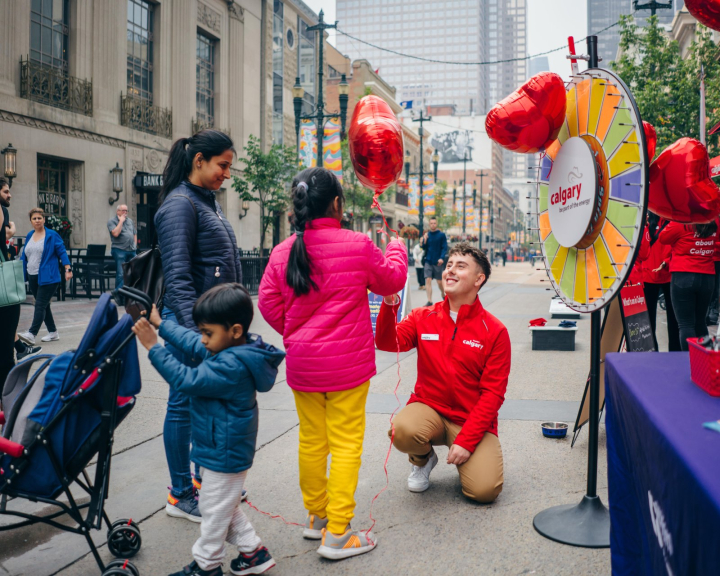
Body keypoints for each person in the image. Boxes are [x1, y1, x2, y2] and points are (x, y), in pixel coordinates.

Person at [258, 167, 407, 560]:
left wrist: (297, 332)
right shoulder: (357, 244)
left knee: (311, 441)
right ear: (337, 204)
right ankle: (339, 533)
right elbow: (391, 281)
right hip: (347, 367)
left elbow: (269, 305)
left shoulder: (282, 251)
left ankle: (317, 517)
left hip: (304, 366)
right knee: (344, 444)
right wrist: (397, 249)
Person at [133, 284, 284, 576]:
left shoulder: (231, 365)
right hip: (220, 449)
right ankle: (254, 553)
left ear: (235, 330)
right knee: (223, 509)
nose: (202, 340)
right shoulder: (230, 348)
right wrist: (162, 326)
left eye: (208, 333)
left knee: (214, 512)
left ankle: (206, 565)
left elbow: (186, 380)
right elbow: (191, 341)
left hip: (224, 454)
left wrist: (153, 347)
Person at [375, 243, 509, 503]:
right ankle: (423, 460)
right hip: (430, 409)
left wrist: (467, 441)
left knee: (484, 492)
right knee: (402, 430)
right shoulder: (422, 316)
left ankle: (467, 457)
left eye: (461, 266)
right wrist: (390, 302)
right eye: (449, 265)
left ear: (479, 279)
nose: (450, 271)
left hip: (470, 419)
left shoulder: (495, 331)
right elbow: (387, 342)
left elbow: (493, 394)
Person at [155, 129, 242, 522]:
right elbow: (176, 278)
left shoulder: (206, 202)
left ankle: (202, 482)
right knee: (182, 405)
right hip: (192, 323)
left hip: (211, 324)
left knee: (202, 403)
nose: (226, 173)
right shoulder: (179, 205)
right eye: (222, 165)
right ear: (199, 160)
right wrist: (197, 334)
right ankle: (180, 493)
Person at [659, 220, 717, 350]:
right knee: (700, 322)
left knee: (686, 324)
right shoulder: (714, 221)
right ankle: (703, 363)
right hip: (707, 277)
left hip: (683, 275)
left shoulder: (681, 223)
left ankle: (688, 363)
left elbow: (663, 237)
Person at [17, 209, 72, 345]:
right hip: (33, 275)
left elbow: (62, 252)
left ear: (44, 220)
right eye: (34, 218)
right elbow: (25, 255)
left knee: (40, 304)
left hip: (49, 276)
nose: (37, 221)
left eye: (39, 218)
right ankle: (53, 332)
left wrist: (68, 269)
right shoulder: (30, 235)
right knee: (44, 305)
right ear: (31, 221)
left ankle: (31, 333)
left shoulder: (52, 235)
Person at [641, 214, 680, 351]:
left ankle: (675, 353)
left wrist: (667, 262)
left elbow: (679, 246)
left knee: (674, 319)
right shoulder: (644, 221)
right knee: (648, 319)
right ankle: (651, 351)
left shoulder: (675, 221)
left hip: (669, 273)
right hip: (648, 273)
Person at [107, 204, 136, 304]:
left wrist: (135, 244)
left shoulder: (130, 221)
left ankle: (117, 291)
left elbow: (134, 233)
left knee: (134, 270)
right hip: (119, 250)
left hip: (131, 249)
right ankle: (121, 298)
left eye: (126, 211)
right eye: (123, 210)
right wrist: (121, 221)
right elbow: (115, 233)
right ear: (117, 211)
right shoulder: (112, 221)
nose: (125, 213)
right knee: (121, 273)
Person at [420, 217, 448, 306]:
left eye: (434, 223)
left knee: (439, 282)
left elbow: (444, 248)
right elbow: (423, 247)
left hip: (437, 261)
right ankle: (430, 301)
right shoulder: (427, 235)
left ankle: (443, 294)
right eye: (431, 223)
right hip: (428, 260)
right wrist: (424, 240)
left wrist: (442, 258)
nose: (433, 225)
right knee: (428, 279)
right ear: (429, 224)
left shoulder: (441, 235)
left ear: (436, 224)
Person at [706, 216, 720, 326]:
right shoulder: (711, 218)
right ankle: (708, 311)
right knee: (710, 287)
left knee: (715, 287)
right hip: (707, 257)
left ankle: (713, 310)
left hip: (716, 258)